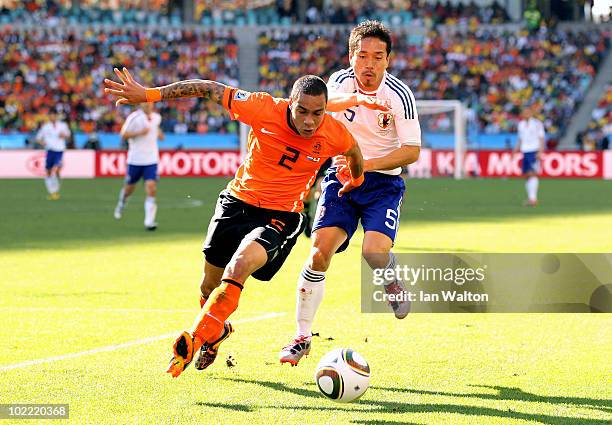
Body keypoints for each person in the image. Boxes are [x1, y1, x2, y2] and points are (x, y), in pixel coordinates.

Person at [104, 68, 369, 378]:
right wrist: (150, 94)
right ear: (290, 103)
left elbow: (353, 150)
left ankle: (197, 335)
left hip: (281, 215)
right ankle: (216, 333)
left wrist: (357, 178)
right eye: (302, 111)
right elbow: (206, 88)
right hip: (237, 201)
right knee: (207, 285)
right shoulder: (262, 107)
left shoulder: (332, 131)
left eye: (317, 113)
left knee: (239, 265)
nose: (310, 121)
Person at [279, 20, 422, 366]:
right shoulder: (339, 82)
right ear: (351, 56)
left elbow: (412, 151)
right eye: (362, 56)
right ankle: (301, 336)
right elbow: (323, 108)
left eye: (378, 57)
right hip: (341, 177)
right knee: (318, 255)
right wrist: (356, 101)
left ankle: (390, 280)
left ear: (388, 60)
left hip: (382, 183)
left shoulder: (399, 95)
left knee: (373, 253)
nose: (369, 64)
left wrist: (365, 164)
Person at [113, 103, 165, 230]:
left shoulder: (157, 117)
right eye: (145, 102)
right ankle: (122, 202)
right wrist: (140, 132)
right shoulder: (134, 117)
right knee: (129, 189)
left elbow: (157, 131)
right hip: (135, 160)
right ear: (141, 104)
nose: (148, 105)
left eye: (150, 102)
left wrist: (159, 134)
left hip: (151, 159)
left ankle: (149, 222)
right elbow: (123, 134)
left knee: (151, 188)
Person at [36, 111, 71, 200]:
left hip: (59, 150)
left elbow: (68, 135)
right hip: (50, 150)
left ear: (56, 116)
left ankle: (55, 191)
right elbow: (38, 138)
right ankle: (52, 191)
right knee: (48, 171)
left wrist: (64, 135)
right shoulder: (45, 127)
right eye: (51, 116)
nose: (52, 118)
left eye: (54, 116)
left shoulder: (63, 125)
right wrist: (42, 142)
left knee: (56, 169)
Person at [514, 105, 545, 207]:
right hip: (525, 151)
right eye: (524, 112)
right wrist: (515, 150)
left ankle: (533, 199)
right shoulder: (521, 125)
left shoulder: (537, 124)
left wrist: (540, 151)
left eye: (528, 112)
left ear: (531, 113)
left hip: (534, 150)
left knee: (533, 173)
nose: (526, 114)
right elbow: (520, 139)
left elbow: (541, 138)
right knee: (527, 175)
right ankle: (530, 198)